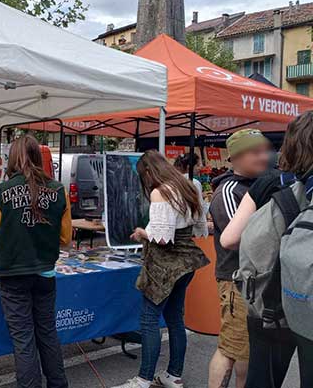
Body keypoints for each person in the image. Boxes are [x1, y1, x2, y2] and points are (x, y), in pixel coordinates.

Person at [221, 113, 313, 388]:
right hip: (306, 299)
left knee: (261, 378)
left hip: (270, 299)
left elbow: (229, 238)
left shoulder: (273, 181)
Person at [0, 135, 72, 388]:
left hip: (12, 274)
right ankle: (58, 384)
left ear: (11, 159)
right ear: (38, 158)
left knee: (24, 338)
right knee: (47, 333)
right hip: (44, 272)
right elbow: (65, 237)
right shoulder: (58, 190)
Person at [113, 151, 209, 388]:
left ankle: (144, 379)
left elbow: (163, 238)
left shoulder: (160, 191)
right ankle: (173, 375)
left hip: (165, 265)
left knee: (149, 319)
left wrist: (141, 232)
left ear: (147, 172)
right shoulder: (187, 186)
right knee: (175, 318)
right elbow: (199, 225)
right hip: (187, 262)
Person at [208, 129, 271, 388]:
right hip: (236, 282)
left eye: (264, 150)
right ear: (236, 157)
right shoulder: (228, 190)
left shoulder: (259, 185)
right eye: (255, 152)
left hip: (257, 281)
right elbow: (242, 238)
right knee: (231, 349)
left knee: (246, 352)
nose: (264, 157)